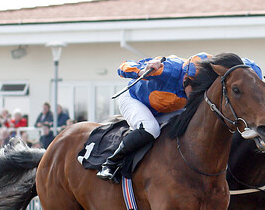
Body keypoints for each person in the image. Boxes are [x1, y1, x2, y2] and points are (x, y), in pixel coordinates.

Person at [99, 52, 252, 181]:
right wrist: (141, 70)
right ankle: (111, 163)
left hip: (166, 109)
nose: (197, 93)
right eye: (197, 87)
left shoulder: (197, 78)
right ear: (186, 79)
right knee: (151, 129)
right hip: (135, 100)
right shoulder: (168, 69)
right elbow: (123, 66)